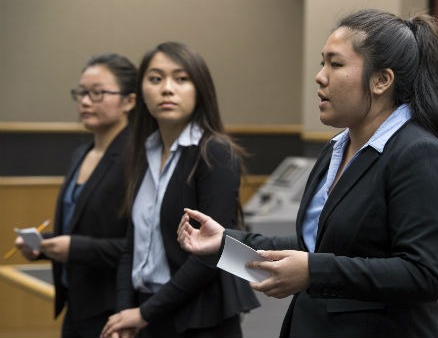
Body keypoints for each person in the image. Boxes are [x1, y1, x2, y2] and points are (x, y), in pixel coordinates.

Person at [177, 9, 438, 338]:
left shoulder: (419, 154)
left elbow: (422, 274)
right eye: (322, 63)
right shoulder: (336, 148)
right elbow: (315, 243)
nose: (320, 76)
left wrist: (314, 272)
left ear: (381, 80)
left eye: (336, 63)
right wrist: (226, 243)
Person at [100, 41, 259, 338]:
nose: (167, 88)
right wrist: (125, 312)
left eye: (181, 79)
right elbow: (131, 245)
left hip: (199, 319)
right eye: (156, 79)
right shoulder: (142, 153)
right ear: (141, 92)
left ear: (200, 89)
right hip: (147, 313)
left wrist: (145, 313)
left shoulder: (215, 153)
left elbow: (211, 253)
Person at [15, 54, 137, 337]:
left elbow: (139, 246)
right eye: (81, 93)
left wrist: (75, 248)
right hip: (76, 302)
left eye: (97, 93)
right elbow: (81, 229)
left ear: (129, 101)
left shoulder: (137, 159)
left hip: (113, 309)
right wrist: (42, 245)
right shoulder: (80, 155)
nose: (84, 101)